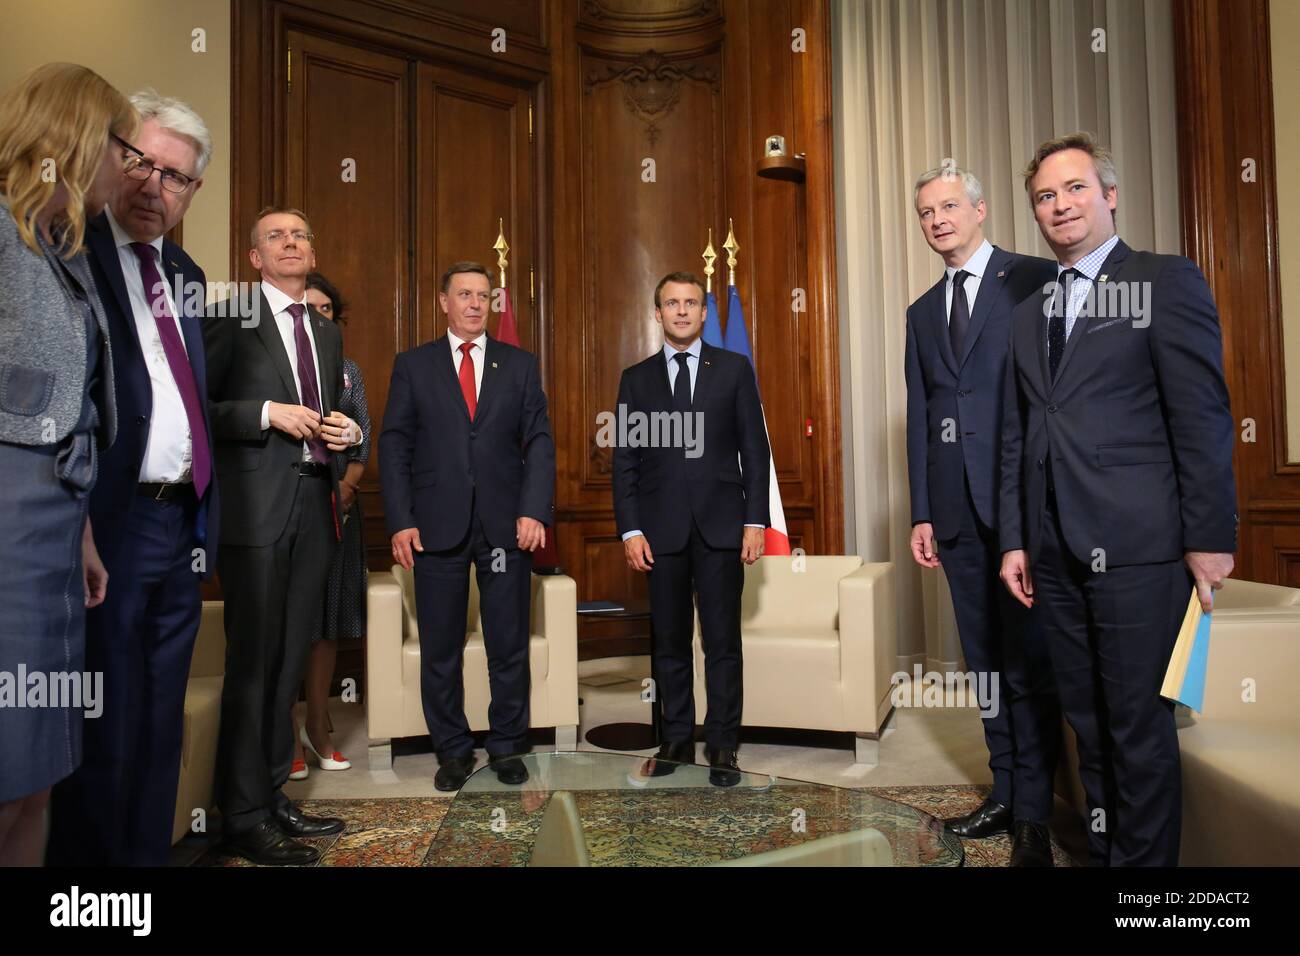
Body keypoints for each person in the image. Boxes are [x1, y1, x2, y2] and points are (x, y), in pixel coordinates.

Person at [999, 132, 1237, 866]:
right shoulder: (1028, 313)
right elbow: (1018, 434)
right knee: (1089, 726)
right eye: (1045, 195)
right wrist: (1015, 538)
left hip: (1141, 546)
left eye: (1074, 188)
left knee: (1136, 728)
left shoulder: (1166, 281)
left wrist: (1209, 537)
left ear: (1108, 195)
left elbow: (1200, 415)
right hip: (1054, 549)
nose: (1060, 204)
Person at [46, 90, 219, 868]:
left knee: (159, 720)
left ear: (194, 191)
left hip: (181, 524)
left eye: (177, 177)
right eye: (141, 163)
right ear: (115, 160)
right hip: (105, 525)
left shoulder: (186, 269)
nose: (155, 187)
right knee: (103, 721)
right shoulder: (65, 248)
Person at [904, 167, 1061, 865]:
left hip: (1024, 504)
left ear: (979, 208)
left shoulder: (1031, 279)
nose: (938, 219)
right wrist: (922, 511)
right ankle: (1004, 789)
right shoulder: (919, 313)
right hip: (955, 510)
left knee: (1030, 659)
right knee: (986, 662)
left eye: (948, 206)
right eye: (926, 212)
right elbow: (922, 417)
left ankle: (1035, 808)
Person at [0, 62, 136, 866]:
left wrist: (81, 530)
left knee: (42, 770)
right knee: (9, 770)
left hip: (56, 524)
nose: (131, 169)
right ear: (79, 138)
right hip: (7, 523)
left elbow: (71, 407)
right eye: (126, 147)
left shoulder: (65, 249)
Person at [204, 206, 363, 865]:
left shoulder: (325, 333)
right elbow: (200, 409)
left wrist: (348, 434)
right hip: (255, 510)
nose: (292, 242)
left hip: (314, 505)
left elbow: (337, 415)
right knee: (254, 662)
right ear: (255, 258)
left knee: (290, 659)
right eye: (277, 236)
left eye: (301, 234)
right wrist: (267, 412)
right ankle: (239, 815)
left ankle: (271, 798)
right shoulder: (227, 317)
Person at [380, 261, 555, 792]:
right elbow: (394, 445)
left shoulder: (519, 365)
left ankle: (507, 746)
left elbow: (540, 442)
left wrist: (534, 509)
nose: (476, 304)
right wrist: (402, 520)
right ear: (444, 302)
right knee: (441, 646)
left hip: (507, 526)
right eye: (464, 294)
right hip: (436, 527)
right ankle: (452, 750)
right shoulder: (414, 365)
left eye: (484, 295)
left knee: (508, 643)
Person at [612, 271, 769, 787]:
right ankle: (676, 738)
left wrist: (754, 519)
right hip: (661, 533)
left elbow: (755, 447)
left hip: (724, 526)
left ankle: (723, 745)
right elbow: (626, 462)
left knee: (722, 643)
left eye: (691, 303)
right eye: (671, 304)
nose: (681, 311)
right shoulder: (636, 380)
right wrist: (630, 530)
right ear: (657, 314)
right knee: (670, 642)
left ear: (704, 313)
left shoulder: (734, 368)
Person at [289, 271, 370, 777]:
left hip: (338, 510)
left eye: (326, 310)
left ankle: (319, 725)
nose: (318, 316)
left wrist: (345, 489)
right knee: (289, 625)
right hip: (285, 509)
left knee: (326, 625)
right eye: (309, 307)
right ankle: (284, 732)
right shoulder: (280, 364)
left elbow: (362, 444)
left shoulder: (348, 371)